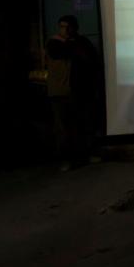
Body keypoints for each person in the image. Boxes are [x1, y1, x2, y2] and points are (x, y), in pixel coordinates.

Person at [45, 15, 100, 170]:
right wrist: (75, 44)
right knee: (63, 128)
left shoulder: (82, 42)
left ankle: (85, 155)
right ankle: (66, 159)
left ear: (75, 28)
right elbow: (65, 52)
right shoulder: (53, 43)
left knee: (82, 125)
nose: (65, 30)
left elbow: (91, 59)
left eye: (68, 27)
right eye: (62, 26)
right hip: (59, 92)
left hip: (79, 91)